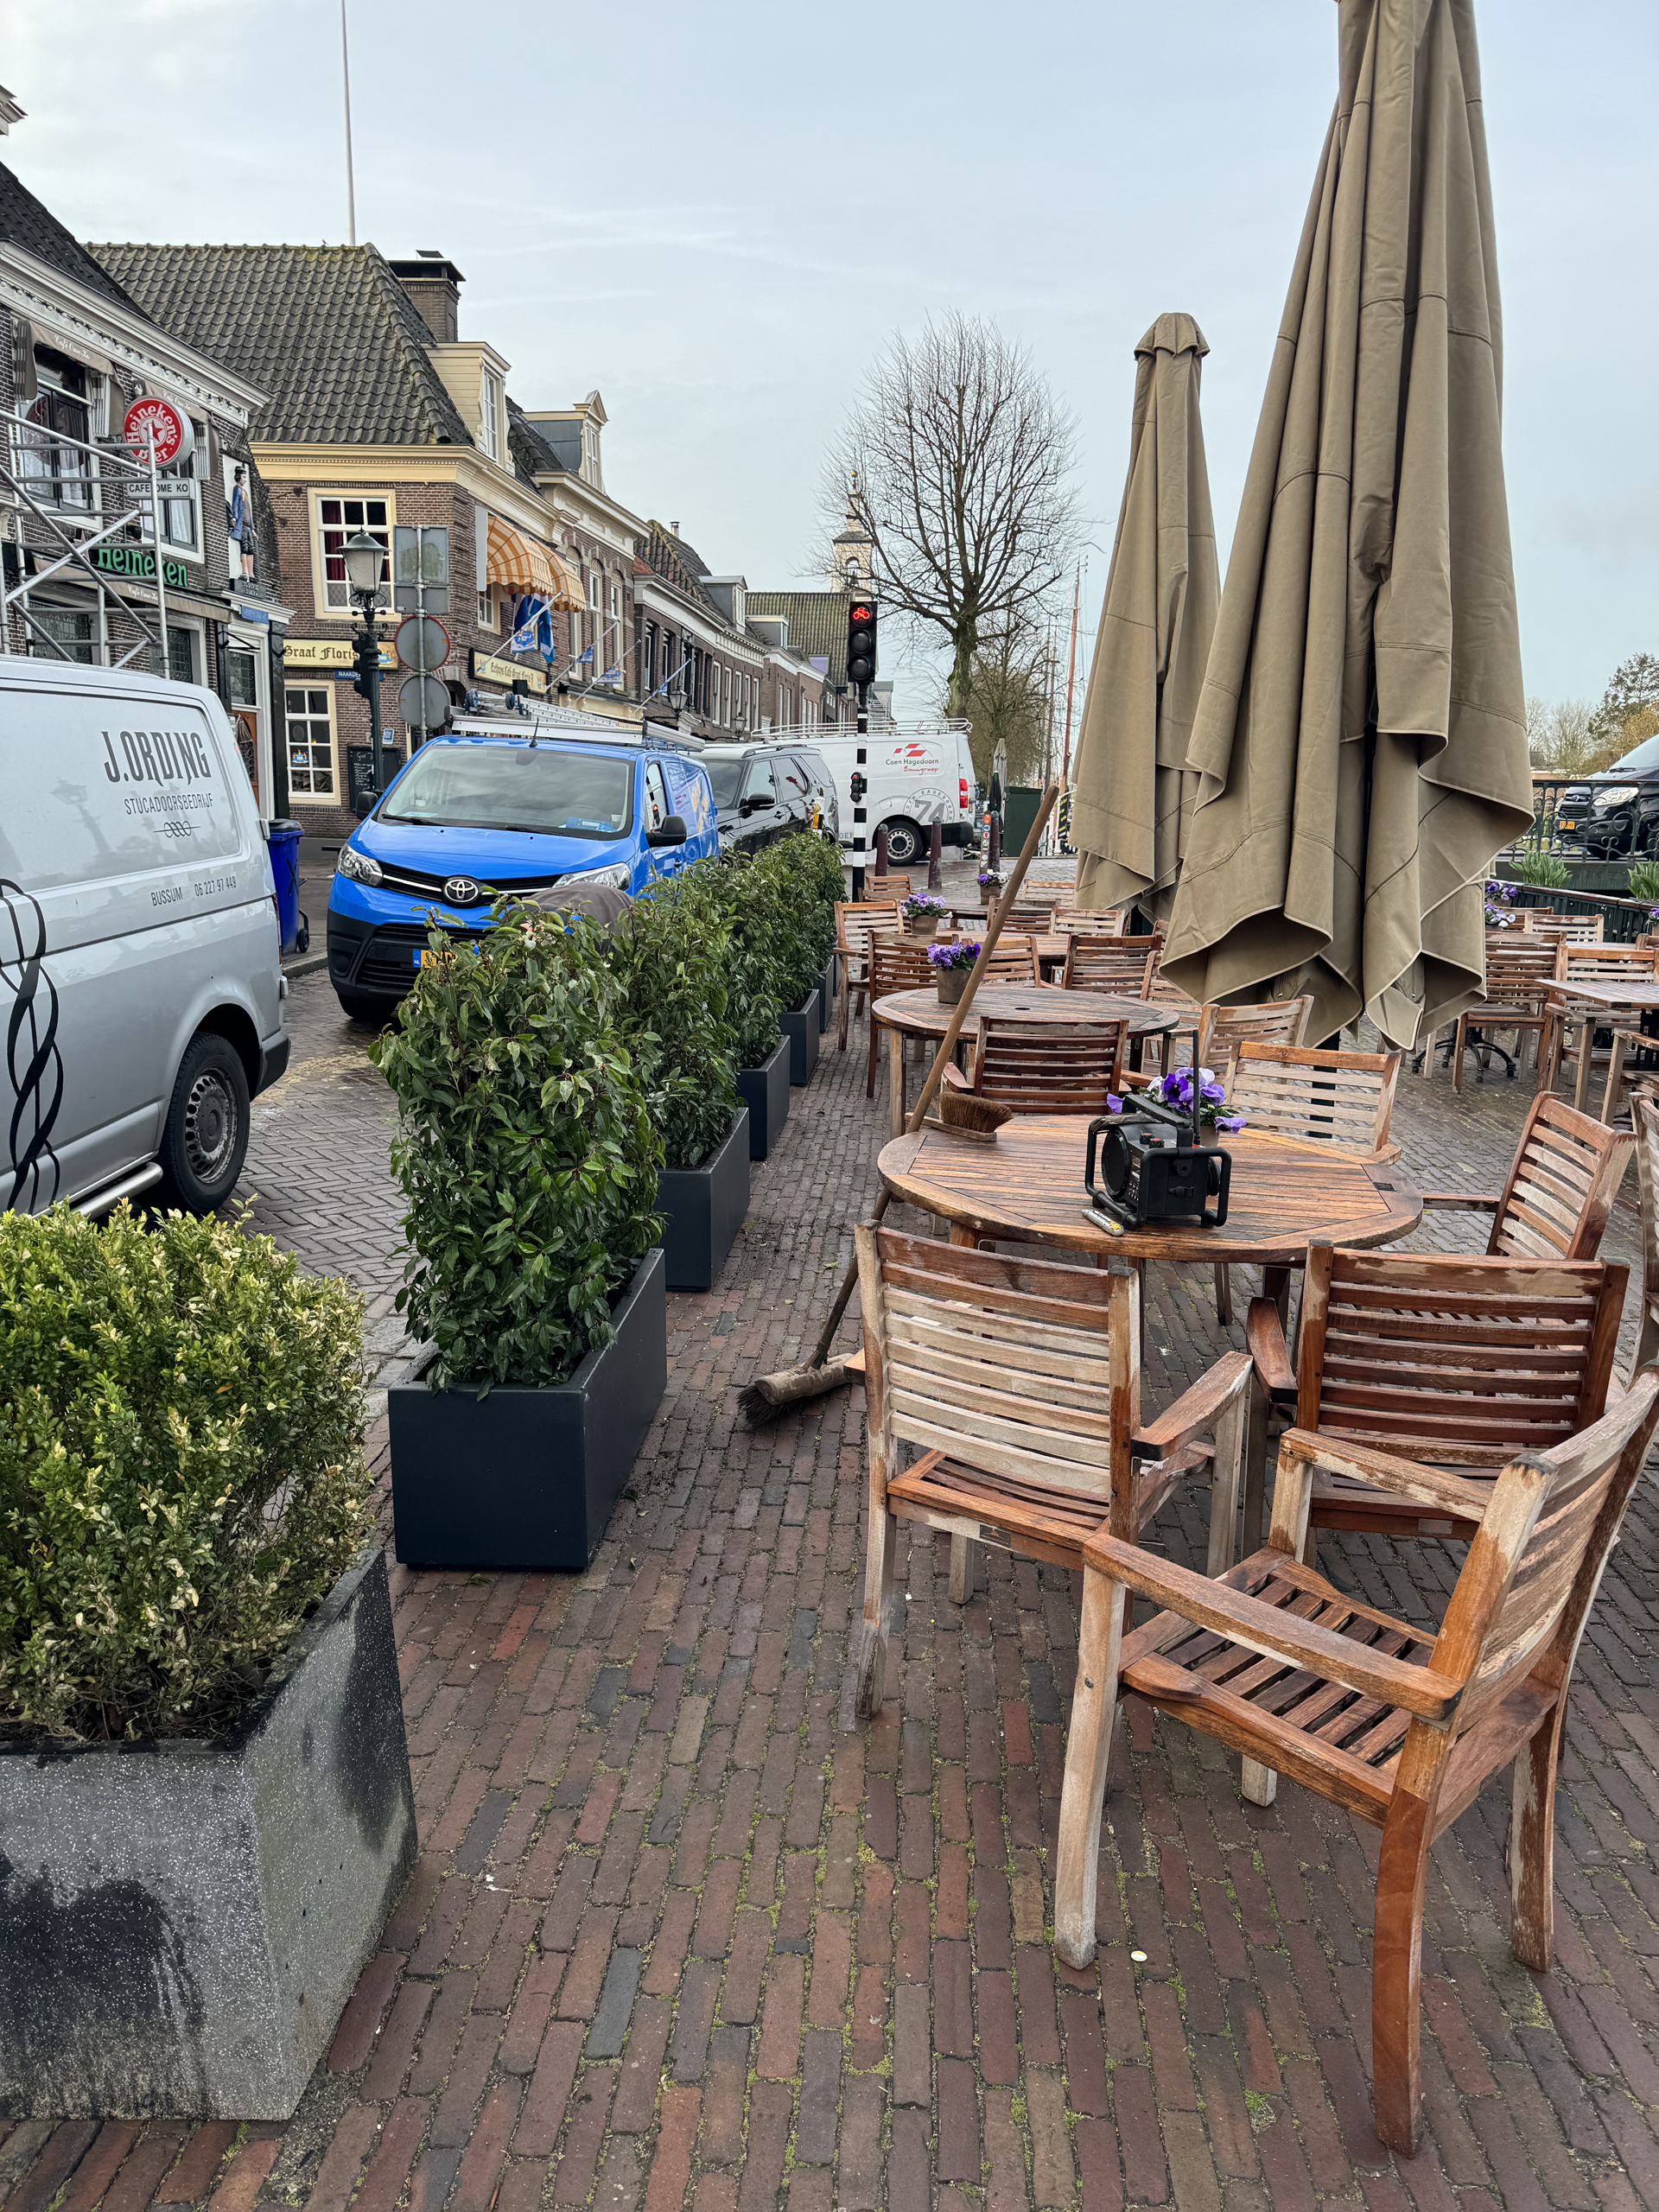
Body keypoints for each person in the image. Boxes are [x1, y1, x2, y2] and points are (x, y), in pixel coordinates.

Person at [226, 464, 256, 582]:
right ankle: (244, 572)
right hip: (242, 525)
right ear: (238, 477)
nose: (245, 480)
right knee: (244, 547)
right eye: (244, 477)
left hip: (248, 526)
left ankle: (251, 574)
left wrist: (253, 529)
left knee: (251, 549)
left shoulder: (245, 493)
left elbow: (249, 511)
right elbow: (235, 504)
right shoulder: (237, 489)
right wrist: (234, 517)